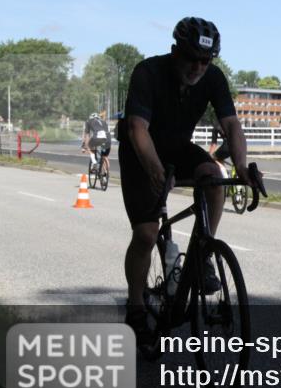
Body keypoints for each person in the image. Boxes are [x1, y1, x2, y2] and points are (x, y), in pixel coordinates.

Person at [118, 17, 259, 343]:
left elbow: (232, 125)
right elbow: (137, 129)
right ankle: (136, 305)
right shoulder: (147, 72)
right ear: (174, 52)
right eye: (191, 58)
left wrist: (240, 167)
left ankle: (203, 251)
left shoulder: (213, 77)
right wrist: (155, 173)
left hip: (178, 148)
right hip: (142, 150)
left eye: (205, 60)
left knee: (213, 173)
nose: (198, 67)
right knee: (146, 233)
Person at [82, 111, 112, 176]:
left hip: (98, 137)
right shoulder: (103, 122)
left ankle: (94, 162)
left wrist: (84, 146)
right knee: (104, 156)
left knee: (89, 147)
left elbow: (86, 136)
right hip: (108, 140)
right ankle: (105, 174)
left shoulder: (88, 122)